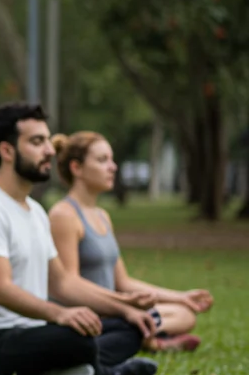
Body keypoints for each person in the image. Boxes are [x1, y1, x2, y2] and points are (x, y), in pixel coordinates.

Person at [0, 102, 160, 375]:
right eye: (37, 142)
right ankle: (107, 372)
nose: (49, 150)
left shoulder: (35, 211)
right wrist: (60, 314)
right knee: (76, 340)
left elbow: (61, 283)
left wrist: (124, 306)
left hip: (33, 330)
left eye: (47, 140)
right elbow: (1, 290)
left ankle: (73, 370)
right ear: (7, 151)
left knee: (129, 326)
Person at [47, 131, 212, 352]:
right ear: (77, 168)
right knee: (161, 318)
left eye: (112, 160)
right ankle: (151, 340)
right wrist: (123, 304)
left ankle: (147, 338)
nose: (112, 167)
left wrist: (181, 297)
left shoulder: (102, 216)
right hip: (89, 314)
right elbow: (68, 285)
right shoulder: (64, 215)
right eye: (102, 160)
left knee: (184, 314)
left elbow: (123, 282)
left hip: (115, 308)